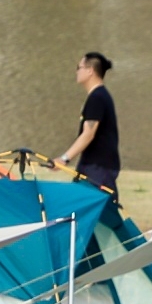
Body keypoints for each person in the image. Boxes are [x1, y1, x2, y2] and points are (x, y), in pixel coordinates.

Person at [58, 51, 120, 197]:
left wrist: (64, 159)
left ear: (90, 71)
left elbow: (88, 134)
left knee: (98, 207)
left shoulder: (97, 98)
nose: (77, 72)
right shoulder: (99, 96)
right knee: (78, 204)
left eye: (79, 67)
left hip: (98, 169)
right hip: (91, 166)